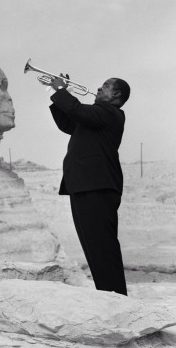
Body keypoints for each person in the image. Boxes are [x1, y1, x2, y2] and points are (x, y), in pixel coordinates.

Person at [48, 75, 131, 296]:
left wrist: (62, 91)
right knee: (94, 247)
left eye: (104, 86)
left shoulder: (110, 113)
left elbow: (76, 110)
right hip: (84, 185)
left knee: (103, 246)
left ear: (116, 95)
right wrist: (57, 95)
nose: (98, 88)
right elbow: (67, 122)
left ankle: (116, 297)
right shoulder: (96, 117)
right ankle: (108, 294)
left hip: (97, 186)